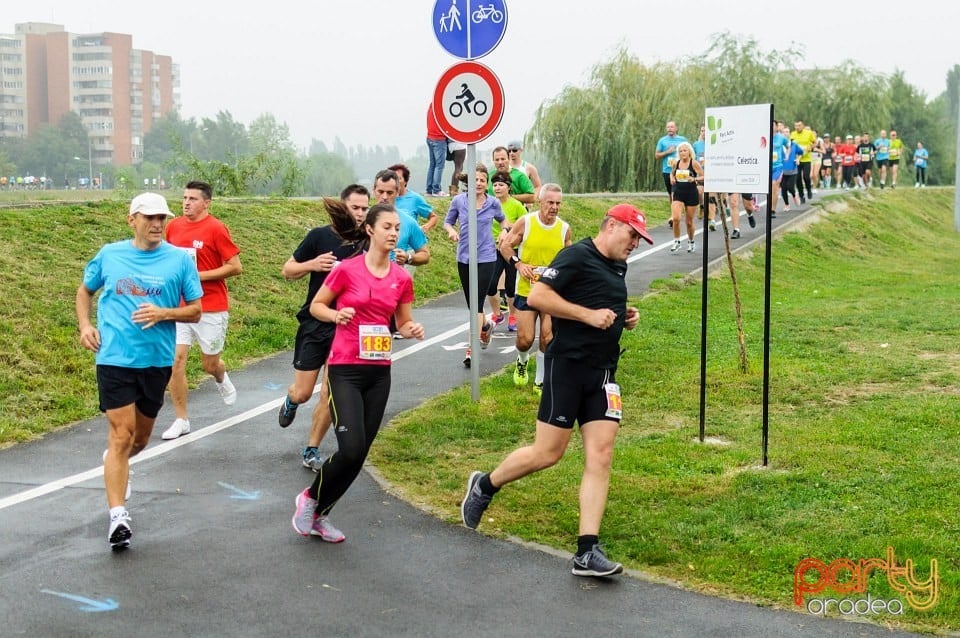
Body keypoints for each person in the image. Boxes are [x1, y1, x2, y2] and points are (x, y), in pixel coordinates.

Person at [461, 203, 653, 578]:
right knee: (548, 453)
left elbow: (597, 299)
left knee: (601, 453)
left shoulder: (618, 264)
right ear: (612, 226)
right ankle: (485, 484)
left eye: (639, 239)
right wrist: (588, 316)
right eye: (632, 235)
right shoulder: (576, 255)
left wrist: (624, 315)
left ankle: (587, 550)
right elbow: (538, 298)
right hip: (567, 369)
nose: (635, 244)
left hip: (603, 372)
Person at [76, 192, 203, 549]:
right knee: (122, 433)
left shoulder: (178, 261)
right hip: (114, 357)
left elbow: (195, 310)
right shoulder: (110, 254)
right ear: (132, 219)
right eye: (149, 218)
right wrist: (85, 326)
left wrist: (164, 313)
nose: (157, 224)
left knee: (140, 440)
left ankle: (114, 462)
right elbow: (85, 291)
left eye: (162, 218)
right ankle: (118, 517)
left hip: (157, 361)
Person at [291, 203, 424, 541]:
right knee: (350, 449)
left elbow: (402, 321)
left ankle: (321, 515)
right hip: (345, 369)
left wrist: (411, 329)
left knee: (359, 454)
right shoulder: (347, 270)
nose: (394, 233)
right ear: (370, 230)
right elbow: (317, 306)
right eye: (387, 227)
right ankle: (309, 498)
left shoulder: (401, 278)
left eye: (397, 228)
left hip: (378, 372)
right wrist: (336, 316)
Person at [279, 185, 370, 471]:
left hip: (346, 327)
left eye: (364, 208)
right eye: (355, 207)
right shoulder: (319, 236)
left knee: (330, 393)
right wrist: (313, 264)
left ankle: (311, 449)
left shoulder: (367, 242)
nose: (360, 213)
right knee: (304, 392)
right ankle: (292, 400)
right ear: (342, 207)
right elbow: (287, 271)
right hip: (315, 323)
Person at [160, 181, 242, 440]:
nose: (186, 202)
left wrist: (197, 276)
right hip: (181, 306)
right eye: (184, 197)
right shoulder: (172, 227)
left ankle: (220, 376)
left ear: (206, 203)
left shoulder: (216, 229)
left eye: (193, 198)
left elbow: (235, 266)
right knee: (176, 361)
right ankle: (181, 419)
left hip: (211, 306)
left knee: (209, 364)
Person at [499, 183, 572, 392]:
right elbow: (505, 246)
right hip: (526, 290)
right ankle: (522, 362)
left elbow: (570, 259)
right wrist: (519, 264)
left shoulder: (564, 229)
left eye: (558, 203)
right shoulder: (526, 222)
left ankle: (540, 381)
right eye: (550, 202)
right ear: (540, 202)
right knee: (525, 339)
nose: (554, 207)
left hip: (551, 291)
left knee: (548, 337)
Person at [444, 162, 505, 368]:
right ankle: (486, 326)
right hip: (464, 258)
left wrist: (505, 232)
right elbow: (447, 222)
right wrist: (451, 231)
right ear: (468, 183)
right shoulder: (459, 201)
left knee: (477, 303)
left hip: (487, 257)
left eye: (482, 180)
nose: (478, 183)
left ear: (486, 184)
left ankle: (471, 348)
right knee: (473, 305)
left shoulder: (493, 203)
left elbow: (504, 223)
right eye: (475, 180)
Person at [489, 170, 526, 333]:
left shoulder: (516, 205)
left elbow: (526, 225)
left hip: (512, 249)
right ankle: (497, 314)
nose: (497, 188)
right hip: (493, 249)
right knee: (491, 284)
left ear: (508, 187)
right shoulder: (489, 203)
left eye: (501, 185)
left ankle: (513, 315)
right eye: (495, 185)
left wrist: (508, 228)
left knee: (511, 286)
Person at [668, 142, 703, 253]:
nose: (683, 153)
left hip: (691, 193)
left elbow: (703, 175)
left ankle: (691, 241)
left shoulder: (694, 163)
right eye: (681, 151)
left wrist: (695, 179)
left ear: (689, 152)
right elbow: (672, 173)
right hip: (678, 192)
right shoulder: (676, 163)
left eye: (685, 150)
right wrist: (672, 178)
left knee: (689, 222)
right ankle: (677, 241)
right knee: (676, 218)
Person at [389, 163, 438, 231]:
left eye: (399, 178)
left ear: (405, 181)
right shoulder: (385, 198)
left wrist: (423, 228)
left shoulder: (415, 199)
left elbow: (433, 217)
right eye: (393, 179)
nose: (395, 182)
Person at [655, 121, 687, 199]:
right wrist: (667, 152)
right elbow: (657, 156)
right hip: (667, 170)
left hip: (681, 170)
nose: (670, 129)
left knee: (681, 191)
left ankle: (681, 209)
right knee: (671, 193)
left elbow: (689, 152)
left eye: (672, 127)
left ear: (676, 128)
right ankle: (674, 210)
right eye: (668, 127)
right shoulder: (662, 140)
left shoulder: (682, 139)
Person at [790, 120, 817, 200]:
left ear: (803, 126)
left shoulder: (809, 133)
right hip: (797, 160)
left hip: (806, 159)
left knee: (806, 177)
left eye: (799, 125)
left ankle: (809, 190)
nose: (797, 127)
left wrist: (810, 147)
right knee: (797, 178)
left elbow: (815, 143)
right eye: (796, 126)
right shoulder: (793, 134)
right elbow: (790, 144)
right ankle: (801, 195)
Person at [425, 104, 447, 196]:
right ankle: (437, 190)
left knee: (432, 165)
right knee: (439, 166)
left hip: (430, 137)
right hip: (439, 139)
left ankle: (429, 190)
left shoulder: (431, 106)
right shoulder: (441, 108)